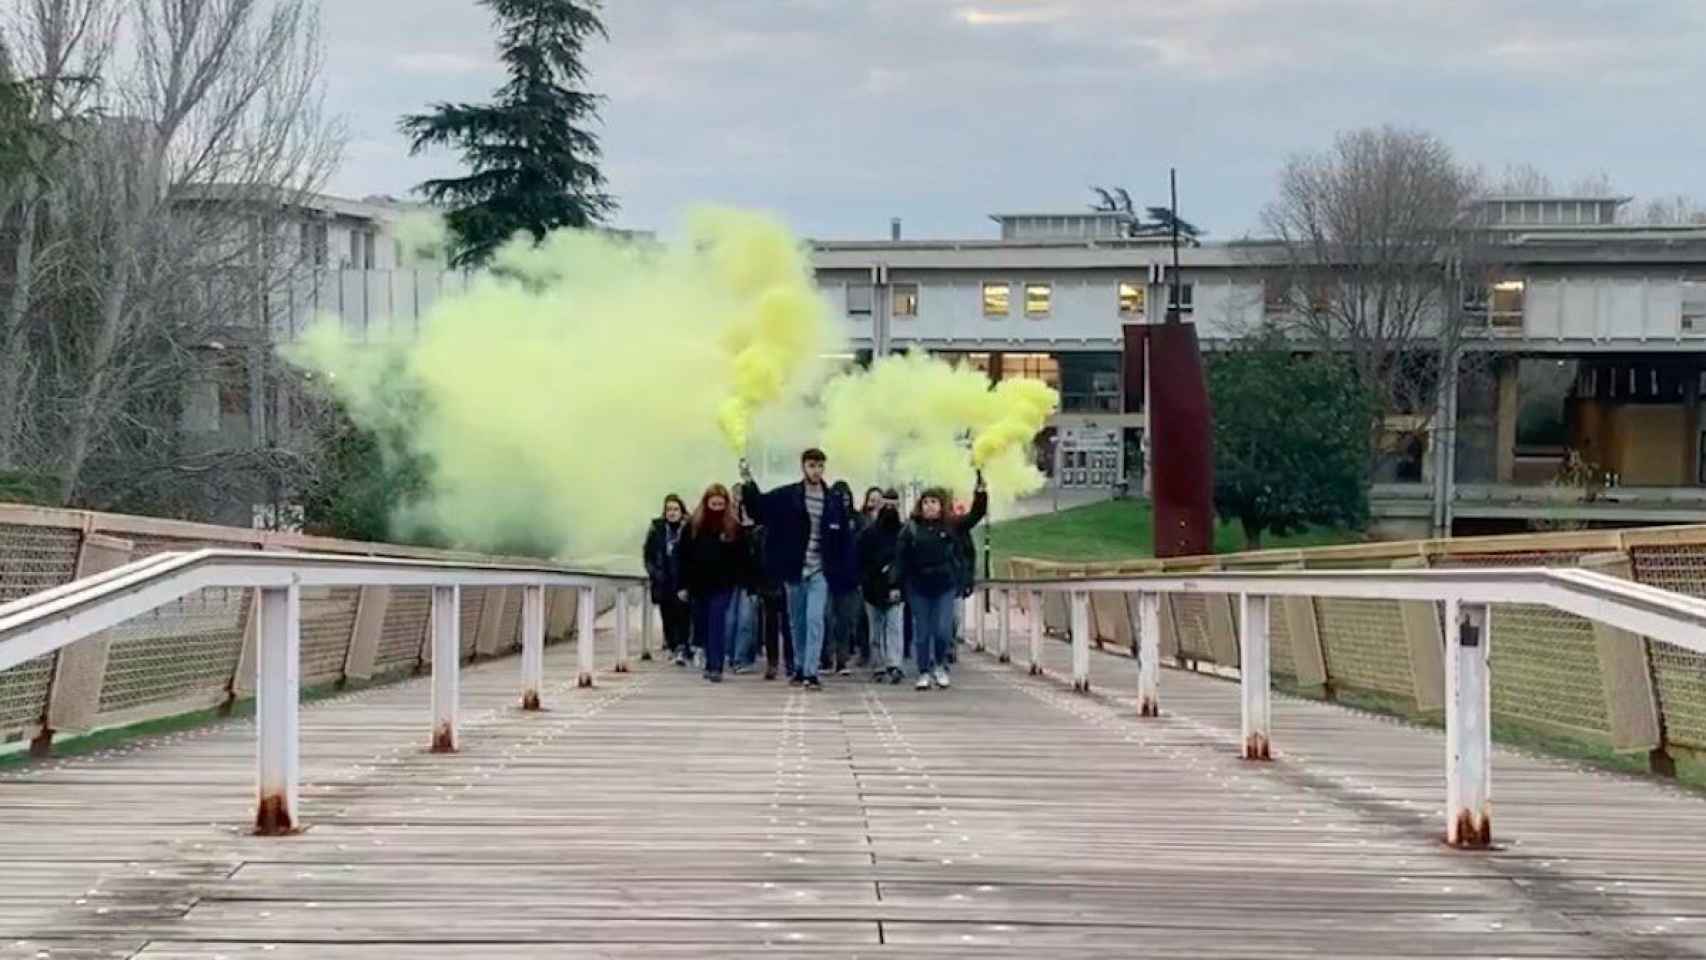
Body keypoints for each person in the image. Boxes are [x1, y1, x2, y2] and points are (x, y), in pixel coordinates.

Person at [740, 448, 854, 690]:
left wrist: (843, 571)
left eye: (820, 466)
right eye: (812, 465)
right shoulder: (788, 495)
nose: (816, 470)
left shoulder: (833, 500)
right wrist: (748, 483)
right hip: (794, 568)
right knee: (797, 622)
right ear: (803, 467)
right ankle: (801, 667)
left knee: (815, 619)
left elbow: (844, 537)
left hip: (820, 569)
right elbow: (759, 509)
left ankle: (811, 672)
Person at [895, 473, 987, 691]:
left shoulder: (951, 525)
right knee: (923, 632)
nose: (929, 506)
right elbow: (901, 558)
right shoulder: (910, 529)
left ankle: (940, 665)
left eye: (933, 502)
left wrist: (981, 493)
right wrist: (896, 585)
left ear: (940, 505)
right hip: (918, 586)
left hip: (944, 585)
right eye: (926, 502)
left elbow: (975, 515)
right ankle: (924, 670)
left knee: (943, 630)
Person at [681, 483, 749, 683]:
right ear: (706, 502)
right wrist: (682, 584)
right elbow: (682, 557)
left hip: (722, 584)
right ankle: (706, 657)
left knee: (717, 623)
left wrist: (741, 579)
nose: (717, 508)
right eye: (714, 504)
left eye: (721, 505)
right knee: (702, 623)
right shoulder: (693, 526)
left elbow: (742, 556)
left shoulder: (733, 528)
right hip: (698, 584)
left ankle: (716, 666)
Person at [858, 488, 907, 684]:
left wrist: (900, 583)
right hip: (872, 588)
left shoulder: (905, 532)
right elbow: (860, 560)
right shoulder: (868, 533)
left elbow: (906, 561)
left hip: (896, 587)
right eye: (886, 504)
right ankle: (879, 665)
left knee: (894, 627)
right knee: (875, 630)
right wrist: (865, 581)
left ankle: (894, 664)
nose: (889, 508)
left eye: (893, 505)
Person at [642, 494, 692, 665]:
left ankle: (682, 648)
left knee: (684, 615)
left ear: (682, 510)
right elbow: (647, 555)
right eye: (669, 509)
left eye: (675, 509)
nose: (672, 513)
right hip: (663, 580)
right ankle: (673, 646)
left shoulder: (688, 528)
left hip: (682, 580)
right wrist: (654, 573)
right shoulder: (656, 529)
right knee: (668, 616)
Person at [824, 481, 863, 676]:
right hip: (828, 577)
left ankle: (842, 660)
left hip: (850, 579)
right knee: (826, 619)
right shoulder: (827, 517)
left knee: (845, 622)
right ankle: (826, 657)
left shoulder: (857, 520)